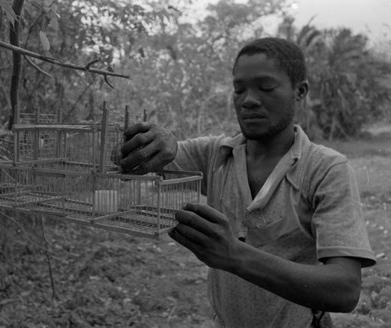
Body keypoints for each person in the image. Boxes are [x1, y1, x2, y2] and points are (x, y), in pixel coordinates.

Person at [119, 37, 376, 328]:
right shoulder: (215, 155)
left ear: (299, 91)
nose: (248, 100)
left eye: (265, 88)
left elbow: (345, 288)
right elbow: (160, 154)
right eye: (238, 90)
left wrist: (234, 255)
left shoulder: (326, 169)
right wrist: (158, 140)